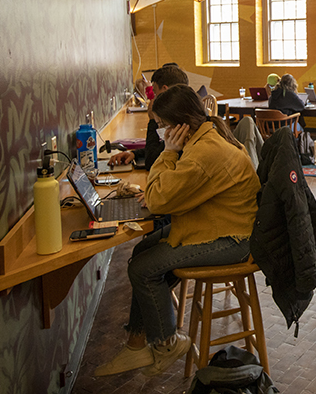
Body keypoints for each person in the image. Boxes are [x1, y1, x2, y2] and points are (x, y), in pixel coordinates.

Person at [95, 84, 260, 377]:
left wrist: (168, 152)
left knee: (144, 268)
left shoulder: (203, 152)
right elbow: (167, 193)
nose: (160, 133)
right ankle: (136, 345)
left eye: (161, 126)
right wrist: (165, 179)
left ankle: (168, 343)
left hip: (233, 238)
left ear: (179, 125)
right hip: (214, 222)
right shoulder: (204, 136)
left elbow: (158, 201)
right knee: (143, 249)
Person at [109, 64, 189, 171]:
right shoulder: (184, 112)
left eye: (155, 92)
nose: (154, 98)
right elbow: (162, 147)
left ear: (165, 90)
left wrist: (153, 121)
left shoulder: (181, 123)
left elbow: (151, 162)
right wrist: (134, 154)